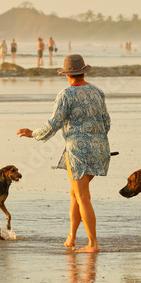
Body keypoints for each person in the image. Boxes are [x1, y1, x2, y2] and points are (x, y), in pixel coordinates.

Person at [17, 54, 111, 253]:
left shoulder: (65, 95)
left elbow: (54, 124)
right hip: (100, 149)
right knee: (75, 193)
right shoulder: (97, 92)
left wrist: (32, 134)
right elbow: (107, 123)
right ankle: (72, 236)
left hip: (77, 151)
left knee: (82, 196)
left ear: (67, 74)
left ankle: (93, 244)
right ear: (83, 71)